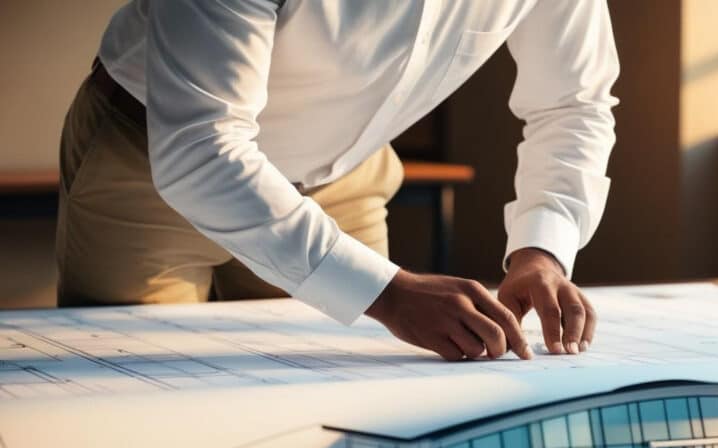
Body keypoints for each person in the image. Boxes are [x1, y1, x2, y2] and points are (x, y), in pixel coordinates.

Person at [57, 0, 619, 361]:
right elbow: (200, 146)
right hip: (152, 161)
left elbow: (574, 104)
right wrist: (386, 291)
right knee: (142, 394)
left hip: (342, 178)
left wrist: (543, 249)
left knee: (344, 400)